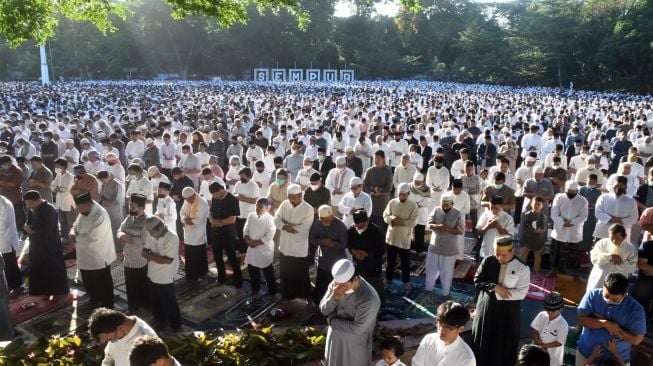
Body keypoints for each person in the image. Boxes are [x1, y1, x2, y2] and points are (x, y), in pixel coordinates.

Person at [472, 235, 530, 366]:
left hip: (507, 313)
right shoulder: (488, 261)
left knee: (503, 343)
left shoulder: (522, 268)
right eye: (497, 254)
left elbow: (522, 293)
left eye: (504, 255)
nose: (499, 258)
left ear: (512, 251)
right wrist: (495, 287)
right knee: (483, 341)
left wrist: (502, 293)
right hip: (486, 308)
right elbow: (477, 280)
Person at [319, 258, 381, 366]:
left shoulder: (370, 298)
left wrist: (332, 321)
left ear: (356, 279)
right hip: (334, 342)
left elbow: (357, 328)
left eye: (345, 286)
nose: (341, 289)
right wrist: (334, 298)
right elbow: (324, 310)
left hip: (354, 347)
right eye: (338, 284)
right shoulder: (337, 285)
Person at [576, 272, 646, 366]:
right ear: (603, 287)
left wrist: (615, 328)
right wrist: (605, 323)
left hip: (617, 362)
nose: (609, 301)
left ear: (625, 294)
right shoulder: (592, 295)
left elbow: (636, 340)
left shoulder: (636, 310)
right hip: (586, 354)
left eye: (615, 300)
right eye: (606, 296)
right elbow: (581, 320)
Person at [70, 192, 116, 308]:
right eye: (79, 208)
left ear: (90, 204)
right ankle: (94, 299)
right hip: (84, 254)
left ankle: (108, 305)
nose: (80, 211)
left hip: (99, 255)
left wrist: (76, 238)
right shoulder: (84, 211)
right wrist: (72, 232)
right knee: (88, 280)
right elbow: (76, 225)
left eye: (82, 208)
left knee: (102, 281)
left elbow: (93, 237)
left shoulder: (100, 214)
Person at [23, 190, 69, 297]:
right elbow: (28, 221)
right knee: (39, 267)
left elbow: (47, 229)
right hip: (36, 245)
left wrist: (32, 231)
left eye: (29, 203)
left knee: (53, 268)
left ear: (38, 200)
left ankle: (59, 291)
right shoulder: (32, 209)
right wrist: (26, 226)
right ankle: (42, 290)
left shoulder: (49, 210)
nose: (28, 206)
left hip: (50, 246)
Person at [274, 184, 314, 300]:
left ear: (300, 195)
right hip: (285, 245)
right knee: (285, 272)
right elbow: (275, 218)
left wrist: (289, 226)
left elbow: (304, 228)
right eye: (289, 197)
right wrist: (284, 226)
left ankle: (303, 294)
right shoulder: (285, 204)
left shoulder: (308, 208)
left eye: (293, 197)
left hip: (299, 248)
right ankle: (287, 294)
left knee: (300, 273)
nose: (291, 199)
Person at [142, 216, 181, 332]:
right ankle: (160, 320)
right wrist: (156, 258)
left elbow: (167, 260)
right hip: (152, 272)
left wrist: (151, 257)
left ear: (159, 228)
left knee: (169, 301)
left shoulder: (172, 238)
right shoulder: (152, 233)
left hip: (166, 275)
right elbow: (144, 251)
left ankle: (176, 325)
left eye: (151, 231)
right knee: (155, 300)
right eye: (148, 231)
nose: (149, 233)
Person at [412, 301, 476, 366]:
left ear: (460, 329)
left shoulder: (467, 359)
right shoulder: (428, 340)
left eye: (448, 327)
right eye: (439, 323)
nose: (441, 329)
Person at [425, 193, 465, 297]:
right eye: (443, 204)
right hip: (434, 246)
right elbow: (429, 223)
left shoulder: (458, 214)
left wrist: (448, 229)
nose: (445, 207)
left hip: (449, 249)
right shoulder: (436, 210)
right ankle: (428, 288)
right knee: (431, 269)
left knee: (446, 272)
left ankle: (446, 293)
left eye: (447, 204)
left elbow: (461, 231)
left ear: (452, 203)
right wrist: (436, 226)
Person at [88, 307, 157, 366]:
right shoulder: (116, 331)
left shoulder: (146, 341)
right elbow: (108, 358)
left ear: (120, 328)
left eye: (110, 339)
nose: (106, 342)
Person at [309, 205, 349, 304]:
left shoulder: (340, 226)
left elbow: (344, 244)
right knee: (321, 284)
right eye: (323, 220)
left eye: (327, 219)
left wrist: (332, 243)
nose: (325, 222)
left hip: (336, 261)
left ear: (332, 216)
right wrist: (322, 241)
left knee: (336, 285)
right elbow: (312, 240)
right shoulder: (317, 223)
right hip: (322, 260)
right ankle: (319, 303)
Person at [117, 193, 150, 310]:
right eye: (130, 205)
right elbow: (120, 230)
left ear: (141, 208)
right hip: (128, 258)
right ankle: (133, 306)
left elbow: (145, 239)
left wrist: (130, 239)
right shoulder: (129, 217)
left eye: (133, 206)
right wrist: (121, 235)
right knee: (130, 285)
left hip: (139, 259)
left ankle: (144, 306)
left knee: (141, 284)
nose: (130, 208)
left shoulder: (147, 221)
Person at [550, 180, 589, 278]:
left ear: (577, 191)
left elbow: (584, 216)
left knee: (575, 254)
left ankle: (576, 275)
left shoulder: (583, 200)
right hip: (560, 230)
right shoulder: (559, 197)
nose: (570, 195)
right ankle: (553, 271)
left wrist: (571, 222)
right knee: (555, 253)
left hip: (574, 231)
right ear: (565, 189)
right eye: (568, 192)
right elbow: (554, 213)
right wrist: (563, 223)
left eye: (573, 193)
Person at [383, 182, 419, 290]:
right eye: (400, 195)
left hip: (404, 237)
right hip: (392, 237)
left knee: (405, 262)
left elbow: (414, 222)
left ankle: (406, 281)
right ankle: (388, 278)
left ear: (408, 194)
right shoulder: (392, 202)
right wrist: (391, 219)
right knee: (390, 260)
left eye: (404, 195)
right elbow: (385, 215)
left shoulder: (413, 205)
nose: (401, 197)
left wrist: (401, 222)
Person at [208, 181, 242, 288]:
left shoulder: (232, 199)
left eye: (216, 194)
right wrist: (212, 220)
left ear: (221, 190)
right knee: (217, 256)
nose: (214, 197)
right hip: (216, 232)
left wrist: (219, 223)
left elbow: (232, 219)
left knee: (232, 258)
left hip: (227, 233)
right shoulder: (215, 198)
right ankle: (221, 278)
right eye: (213, 195)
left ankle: (238, 281)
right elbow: (211, 212)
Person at [347, 208, 386, 303]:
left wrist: (367, 254)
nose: (359, 229)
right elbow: (348, 244)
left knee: (375, 288)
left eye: (361, 226)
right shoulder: (352, 230)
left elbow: (381, 250)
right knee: (358, 285)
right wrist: (354, 251)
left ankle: (378, 303)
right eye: (357, 226)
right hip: (358, 264)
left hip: (373, 265)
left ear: (367, 221)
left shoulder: (376, 232)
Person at [586, 224, 638, 290]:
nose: (614, 241)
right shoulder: (602, 243)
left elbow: (632, 267)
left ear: (624, 237)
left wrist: (619, 263)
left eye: (617, 239)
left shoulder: (630, 248)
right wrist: (610, 256)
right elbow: (594, 259)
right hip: (599, 278)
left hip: (618, 280)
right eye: (612, 238)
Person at [243, 197, 277, 296]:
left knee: (268, 272)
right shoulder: (251, 215)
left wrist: (256, 243)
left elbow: (270, 235)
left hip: (264, 249)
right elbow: (246, 228)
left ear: (267, 207)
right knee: (253, 270)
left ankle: (272, 292)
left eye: (260, 207)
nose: (257, 209)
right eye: (256, 206)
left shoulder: (270, 219)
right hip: (252, 248)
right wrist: (247, 239)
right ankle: (255, 289)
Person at [593, 176, 639, 242]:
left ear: (625, 187)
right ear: (613, 185)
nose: (618, 187)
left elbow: (634, 218)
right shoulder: (604, 197)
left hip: (621, 234)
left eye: (621, 186)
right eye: (616, 185)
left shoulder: (631, 201)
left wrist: (621, 221)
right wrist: (611, 219)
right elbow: (598, 212)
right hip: (603, 231)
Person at [530, 291, 568, 366]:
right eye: (548, 310)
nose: (550, 313)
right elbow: (535, 329)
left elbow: (560, 342)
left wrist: (544, 346)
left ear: (561, 309)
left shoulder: (563, 325)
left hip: (552, 357)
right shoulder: (541, 315)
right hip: (537, 350)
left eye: (553, 311)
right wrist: (536, 341)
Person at [179, 186, 210, 281]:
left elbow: (200, 220)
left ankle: (201, 273)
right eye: (186, 200)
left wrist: (189, 220)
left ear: (193, 195)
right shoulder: (187, 200)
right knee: (189, 254)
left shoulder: (202, 203)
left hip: (199, 234)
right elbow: (182, 212)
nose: (188, 201)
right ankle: (191, 274)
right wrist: (184, 219)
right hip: (188, 233)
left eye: (189, 199)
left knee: (198, 254)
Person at [363, 150, 393, 233]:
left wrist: (379, 190)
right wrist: (371, 192)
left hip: (382, 203)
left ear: (383, 159)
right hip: (370, 201)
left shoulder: (388, 171)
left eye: (378, 159)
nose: (376, 160)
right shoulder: (369, 171)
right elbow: (364, 185)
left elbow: (389, 188)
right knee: (370, 229)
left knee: (381, 229)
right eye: (375, 158)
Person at [98, 170, 126, 251]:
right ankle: (112, 247)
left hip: (115, 211)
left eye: (103, 180)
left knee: (118, 228)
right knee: (108, 228)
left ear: (107, 177)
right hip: (106, 210)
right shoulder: (104, 184)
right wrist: (103, 201)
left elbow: (118, 200)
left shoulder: (117, 185)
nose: (103, 182)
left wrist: (107, 202)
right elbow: (101, 195)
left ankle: (120, 248)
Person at [519, 197, 548, 275]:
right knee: (523, 255)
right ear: (531, 204)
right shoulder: (527, 215)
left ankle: (537, 270)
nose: (536, 206)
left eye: (539, 204)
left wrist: (540, 230)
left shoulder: (543, 216)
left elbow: (543, 227)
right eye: (535, 204)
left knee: (537, 256)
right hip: (527, 239)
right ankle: (521, 270)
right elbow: (524, 226)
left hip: (538, 239)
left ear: (542, 206)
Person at [0, 194, 21, 298]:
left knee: (10, 265)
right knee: (5, 265)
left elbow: (4, 223)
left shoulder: (4, 203)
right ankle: (8, 285)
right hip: (2, 240)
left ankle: (16, 287)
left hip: (7, 240)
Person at [51, 158, 75, 242]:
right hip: (60, 203)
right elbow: (52, 186)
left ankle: (72, 239)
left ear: (63, 166)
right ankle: (65, 238)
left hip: (68, 203)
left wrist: (58, 189)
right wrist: (57, 189)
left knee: (70, 223)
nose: (56, 168)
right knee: (62, 222)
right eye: (55, 166)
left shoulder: (70, 176)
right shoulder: (58, 175)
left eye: (57, 166)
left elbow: (67, 189)